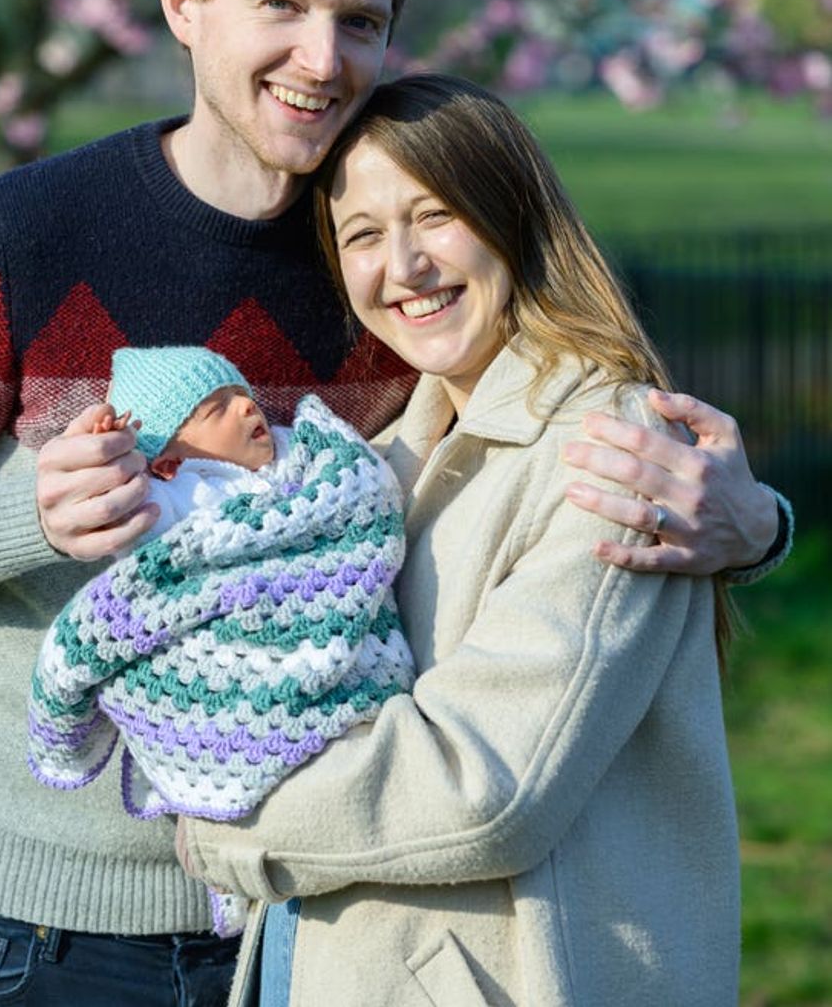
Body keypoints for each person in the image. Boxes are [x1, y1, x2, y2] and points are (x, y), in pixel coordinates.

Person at [0, 0, 788, 1007]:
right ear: (182, 0)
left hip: (320, 930)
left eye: (358, 19)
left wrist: (752, 527)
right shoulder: (26, 234)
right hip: (27, 934)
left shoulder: (389, 263)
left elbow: (519, 471)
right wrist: (20, 518)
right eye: (279, 5)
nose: (320, 56)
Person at [176, 74, 791, 1007]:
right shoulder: (383, 458)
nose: (405, 266)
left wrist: (224, 824)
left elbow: (487, 786)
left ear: (513, 219)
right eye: (365, 235)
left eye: (435, 216)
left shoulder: (610, 452)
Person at [28, 345, 413, 923]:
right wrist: (116, 448)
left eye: (241, 395)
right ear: (165, 460)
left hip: (314, 615)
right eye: (214, 409)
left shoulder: (296, 461)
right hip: (216, 639)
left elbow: (356, 488)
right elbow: (128, 528)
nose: (243, 409)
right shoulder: (174, 495)